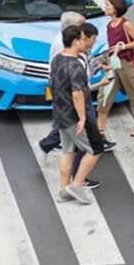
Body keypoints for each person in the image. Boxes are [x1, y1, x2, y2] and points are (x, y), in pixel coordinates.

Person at [51, 26, 103, 205]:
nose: (85, 41)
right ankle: (77, 185)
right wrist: (82, 118)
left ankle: (63, 190)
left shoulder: (57, 59)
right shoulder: (75, 66)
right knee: (95, 148)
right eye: (82, 38)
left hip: (60, 113)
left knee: (67, 151)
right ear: (75, 42)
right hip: (74, 116)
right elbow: (77, 93)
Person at [97, 0, 134, 140]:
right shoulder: (109, 25)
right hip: (113, 64)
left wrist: (123, 47)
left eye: (108, 5)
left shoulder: (126, 24)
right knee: (104, 94)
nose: (105, 7)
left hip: (126, 64)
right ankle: (100, 129)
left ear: (115, 9)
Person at [41, 11, 87, 154]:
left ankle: (51, 143)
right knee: (67, 118)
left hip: (60, 84)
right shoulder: (63, 45)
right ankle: (48, 143)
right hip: (63, 85)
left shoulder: (63, 39)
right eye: (81, 26)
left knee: (63, 118)